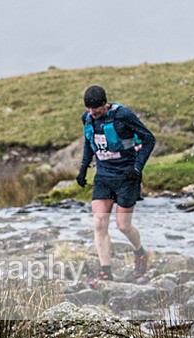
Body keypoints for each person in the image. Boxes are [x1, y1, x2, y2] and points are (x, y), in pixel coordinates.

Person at [75, 85, 155, 287]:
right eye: (89, 109)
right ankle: (105, 272)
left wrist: (137, 168)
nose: (93, 112)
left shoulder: (123, 115)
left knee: (123, 226)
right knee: (99, 222)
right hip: (103, 176)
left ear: (105, 103)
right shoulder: (87, 118)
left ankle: (140, 252)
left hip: (126, 176)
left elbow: (149, 139)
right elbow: (88, 143)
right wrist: (83, 169)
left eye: (97, 109)